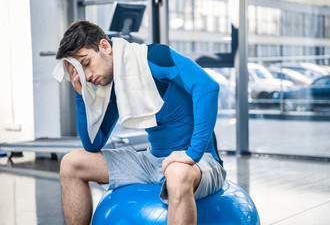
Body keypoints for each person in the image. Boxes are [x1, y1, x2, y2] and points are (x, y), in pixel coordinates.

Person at [56, 20, 226, 225]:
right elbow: (92, 144)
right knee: (71, 163)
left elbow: (207, 87)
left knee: (177, 172)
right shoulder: (116, 86)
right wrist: (81, 96)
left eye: (86, 63)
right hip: (152, 161)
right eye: (80, 71)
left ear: (105, 46)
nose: (88, 75)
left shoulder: (155, 56)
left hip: (200, 161)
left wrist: (192, 154)